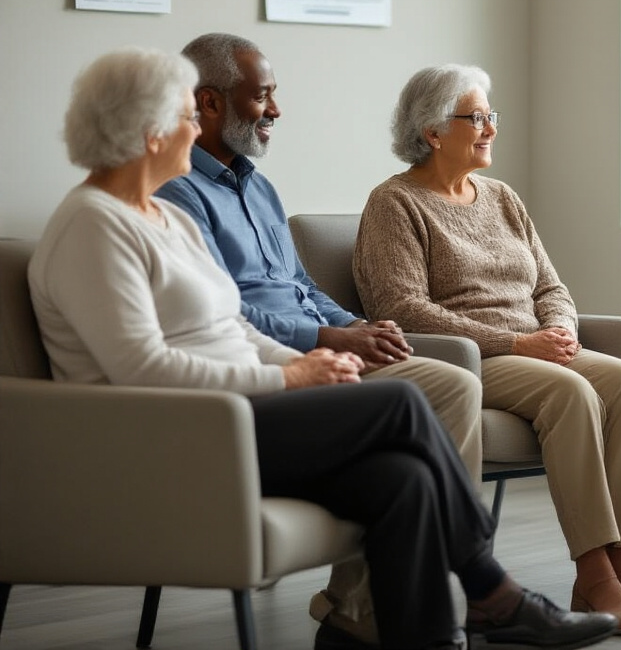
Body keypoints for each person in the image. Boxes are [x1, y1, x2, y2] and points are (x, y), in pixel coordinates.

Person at [27, 48, 618, 650]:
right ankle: (494, 593)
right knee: (400, 405)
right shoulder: (92, 226)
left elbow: (233, 327)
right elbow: (140, 368)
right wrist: (291, 379)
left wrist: (304, 363)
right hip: (177, 430)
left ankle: (395, 634)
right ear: (148, 130)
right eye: (184, 116)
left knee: (405, 479)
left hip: (234, 410)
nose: (194, 129)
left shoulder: (161, 218)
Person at [154, 33, 483, 646]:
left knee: (447, 393)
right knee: (443, 389)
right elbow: (227, 315)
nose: (275, 110)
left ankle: (365, 610)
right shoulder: (178, 197)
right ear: (209, 103)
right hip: (271, 371)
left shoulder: (258, 186)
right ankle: (467, 585)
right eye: (263, 96)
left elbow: (298, 283)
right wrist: (327, 335)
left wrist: (353, 328)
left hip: (320, 352)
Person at [351, 65, 621, 636]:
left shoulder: (502, 197)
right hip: (473, 355)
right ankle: (593, 571)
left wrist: (560, 330)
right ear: (432, 132)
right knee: (572, 392)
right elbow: (402, 306)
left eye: (490, 116)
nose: (490, 129)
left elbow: (550, 285)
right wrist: (516, 341)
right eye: (475, 118)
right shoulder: (394, 203)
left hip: (536, 344)